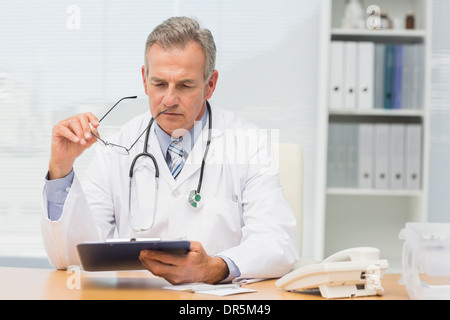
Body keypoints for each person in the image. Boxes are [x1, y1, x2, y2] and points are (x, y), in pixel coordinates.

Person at [42, 16, 299, 284]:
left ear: (210, 84)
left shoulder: (248, 143)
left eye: (185, 85)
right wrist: (61, 169)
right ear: (144, 79)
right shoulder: (116, 149)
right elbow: (71, 258)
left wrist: (216, 267)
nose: (169, 99)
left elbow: (277, 241)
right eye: (159, 84)